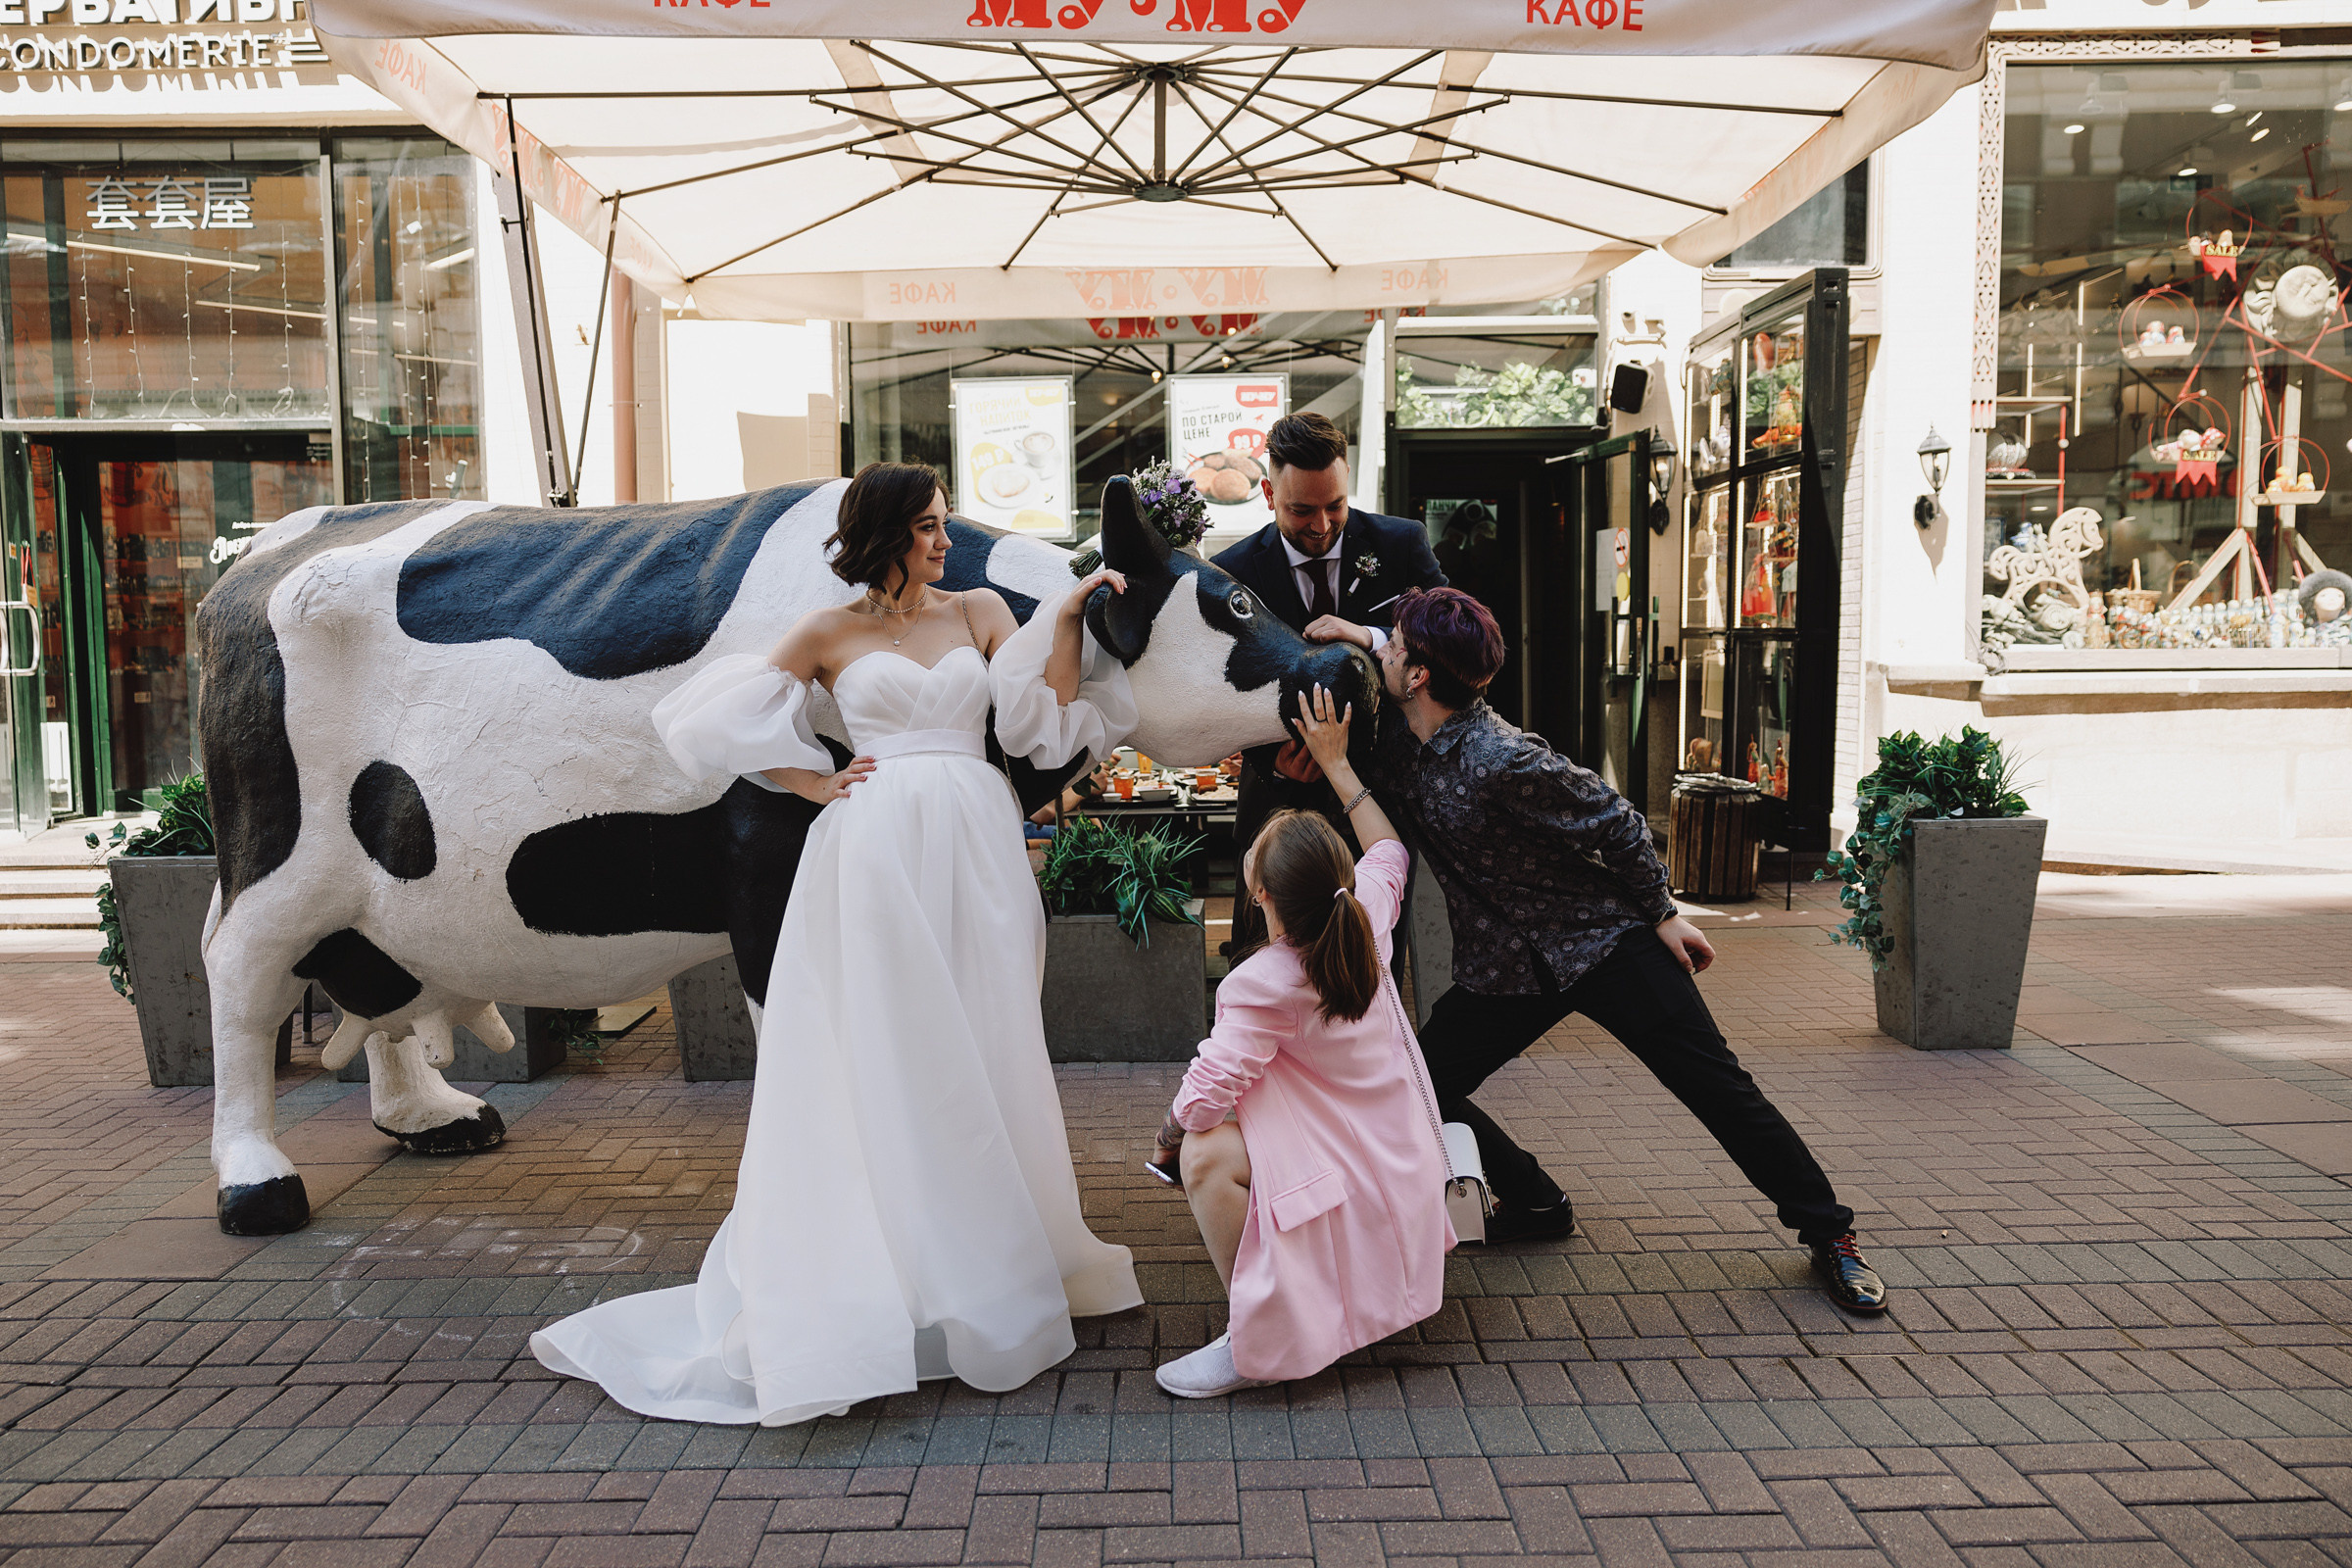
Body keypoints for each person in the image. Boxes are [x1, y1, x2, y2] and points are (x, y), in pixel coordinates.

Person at [530, 463, 1145, 1424]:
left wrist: (1063, 620)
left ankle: (990, 1261)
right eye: (932, 527)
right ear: (890, 531)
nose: (946, 541)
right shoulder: (827, 632)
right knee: (889, 1051)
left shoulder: (982, 610)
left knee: (988, 1044)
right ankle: (896, 1274)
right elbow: (711, 715)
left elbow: (1038, 723)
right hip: (871, 851)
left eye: (945, 525)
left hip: (977, 847)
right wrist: (808, 780)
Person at [1306, 587, 1887, 1313]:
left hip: (1604, 944)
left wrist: (1662, 915)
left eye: (1392, 643)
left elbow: (1619, 822)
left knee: (1720, 1091)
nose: (1383, 649)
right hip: (1505, 969)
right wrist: (1351, 650)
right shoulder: (1402, 738)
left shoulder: (1502, 757)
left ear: (1421, 674)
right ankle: (1536, 1200)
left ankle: (1831, 1235)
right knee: (1419, 1081)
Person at [1147, 690, 1452, 1397]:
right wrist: (1337, 766)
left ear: (1261, 898)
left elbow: (1204, 1098)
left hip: (1352, 1167)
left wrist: (1166, 1137)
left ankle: (1254, 1334)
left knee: (1204, 1155)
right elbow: (1388, 849)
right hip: (1401, 1160)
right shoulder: (1367, 912)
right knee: (1223, 1121)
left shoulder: (1263, 982)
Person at [1211, 413, 1446, 949]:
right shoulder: (1232, 570)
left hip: (1379, 791)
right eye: (1301, 509)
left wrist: (1367, 634)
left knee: (1369, 950)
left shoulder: (1400, 543)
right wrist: (1267, 756)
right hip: (1275, 792)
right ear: (1268, 494)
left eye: (1335, 505)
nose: (1321, 525)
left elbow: (1453, 639)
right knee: (1264, 954)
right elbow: (1215, 684)